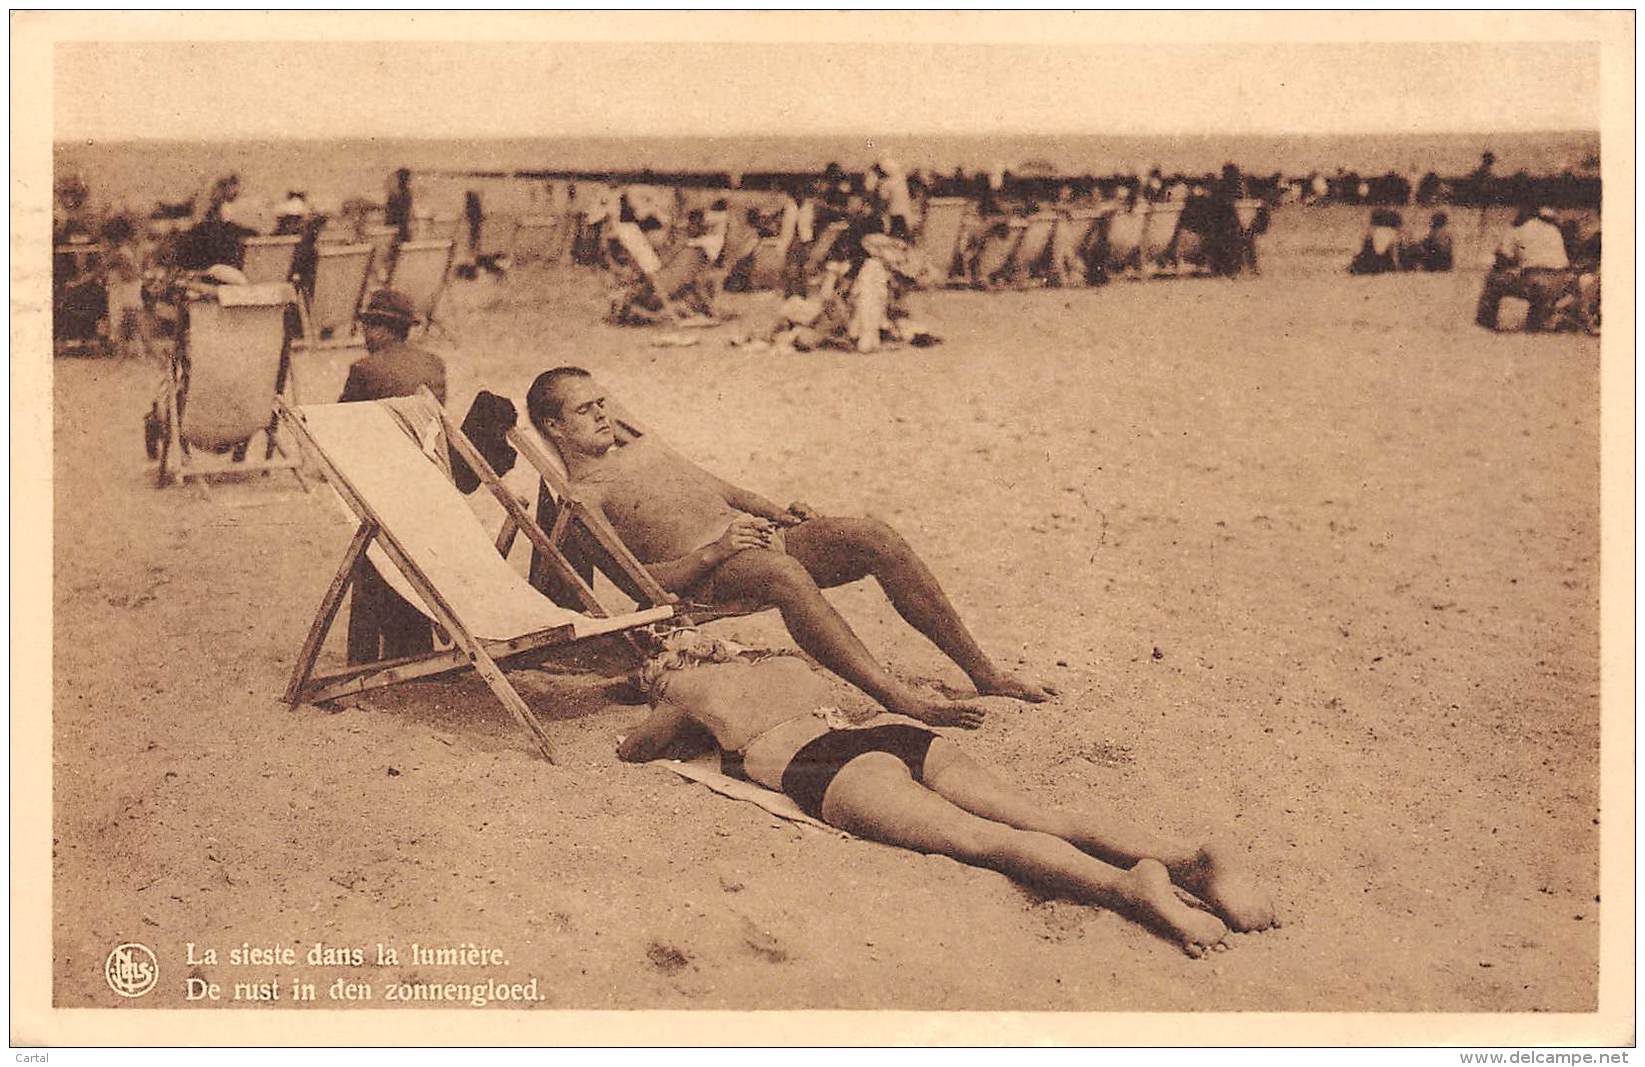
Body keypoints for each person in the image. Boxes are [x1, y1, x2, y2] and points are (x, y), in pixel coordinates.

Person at [617, 628, 1277, 958]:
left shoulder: (684, 689)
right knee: (1042, 814)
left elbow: (637, 748)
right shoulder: (782, 663)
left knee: (986, 841)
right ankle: (1185, 859)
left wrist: (652, 694)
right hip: (894, 734)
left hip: (820, 765)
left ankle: (1126, 890)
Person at [524, 367, 1054, 727]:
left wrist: (776, 512)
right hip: (711, 575)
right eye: (584, 410)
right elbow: (646, 584)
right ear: (554, 426)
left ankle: (984, 674)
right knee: (784, 575)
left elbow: (720, 488)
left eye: (602, 402)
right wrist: (716, 551)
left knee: (874, 536)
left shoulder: (639, 445)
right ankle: (898, 698)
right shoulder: (583, 500)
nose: (601, 414)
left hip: (757, 538)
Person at [339, 289, 448, 664]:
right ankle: (412, 646)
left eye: (368, 326)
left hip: (383, 484)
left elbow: (342, 426)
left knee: (371, 563)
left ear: (383, 328)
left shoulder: (365, 370)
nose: (364, 334)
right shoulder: (434, 364)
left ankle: (364, 658)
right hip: (426, 480)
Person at [1475, 206, 1570, 331]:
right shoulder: (1554, 230)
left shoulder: (1518, 229)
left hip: (1535, 281)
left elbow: (1502, 258)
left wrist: (1512, 266)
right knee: (1538, 283)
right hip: (1559, 283)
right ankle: (1536, 321)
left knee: (1494, 280)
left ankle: (1486, 321)